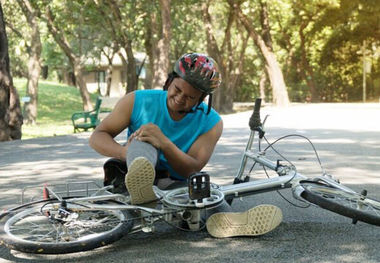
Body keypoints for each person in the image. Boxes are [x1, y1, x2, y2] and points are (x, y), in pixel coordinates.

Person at [89, 53, 282, 238]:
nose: (181, 98)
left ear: (201, 99)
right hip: (130, 172)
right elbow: (98, 136)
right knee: (145, 137)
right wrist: (124, 152)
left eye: (190, 97)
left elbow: (192, 168)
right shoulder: (137, 100)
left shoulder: (212, 122)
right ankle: (142, 184)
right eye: (177, 89)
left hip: (173, 181)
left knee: (205, 192)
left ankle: (230, 221)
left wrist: (164, 142)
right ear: (169, 82)